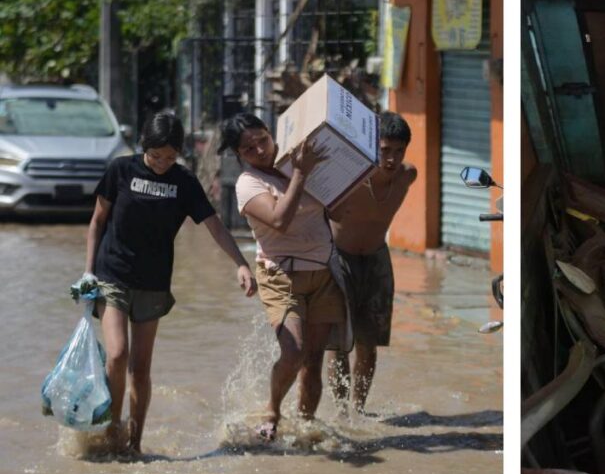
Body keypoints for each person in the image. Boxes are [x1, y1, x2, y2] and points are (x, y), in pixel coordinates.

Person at [81, 111, 257, 455]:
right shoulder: (121, 170)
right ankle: (113, 428)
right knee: (117, 355)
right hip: (112, 273)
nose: (162, 163)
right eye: (155, 155)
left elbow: (215, 227)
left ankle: (135, 442)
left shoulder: (184, 182)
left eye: (170, 157)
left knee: (141, 368)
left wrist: (240, 263)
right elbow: (97, 221)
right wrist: (88, 272)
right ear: (143, 147)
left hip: (153, 282)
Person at [221, 112, 346, 441]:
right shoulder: (249, 184)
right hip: (280, 275)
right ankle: (272, 410)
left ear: (271, 133)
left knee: (313, 362)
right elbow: (280, 220)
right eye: (249, 149)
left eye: (263, 139)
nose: (260, 150)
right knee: (294, 352)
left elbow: (336, 207)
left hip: (322, 273)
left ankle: (305, 429)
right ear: (239, 156)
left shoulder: (297, 163)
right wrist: (302, 175)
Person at [325, 111, 417, 413]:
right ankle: (340, 412)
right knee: (339, 344)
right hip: (341, 260)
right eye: (384, 150)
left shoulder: (407, 176)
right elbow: (323, 211)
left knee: (369, 344)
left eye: (398, 151)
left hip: (377, 260)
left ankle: (358, 410)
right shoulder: (348, 180)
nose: (391, 158)